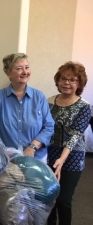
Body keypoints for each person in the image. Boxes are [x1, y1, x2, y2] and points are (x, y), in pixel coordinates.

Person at [0, 53, 54, 162]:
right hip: (8, 158)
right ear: (8, 73)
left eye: (27, 67)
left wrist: (32, 147)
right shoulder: (0, 96)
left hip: (36, 158)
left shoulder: (39, 97)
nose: (25, 72)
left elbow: (49, 126)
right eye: (19, 68)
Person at [47, 61, 91, 225]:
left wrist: (62, 159)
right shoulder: (49, 101)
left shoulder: (84, 107)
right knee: (49, 195)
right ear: (58, 80)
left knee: (63, 199)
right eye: (64, 78)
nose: (67, 83)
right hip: (50, 153)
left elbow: (75, 135)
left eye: (73, 80)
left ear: (79, 83)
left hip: (72, 157)